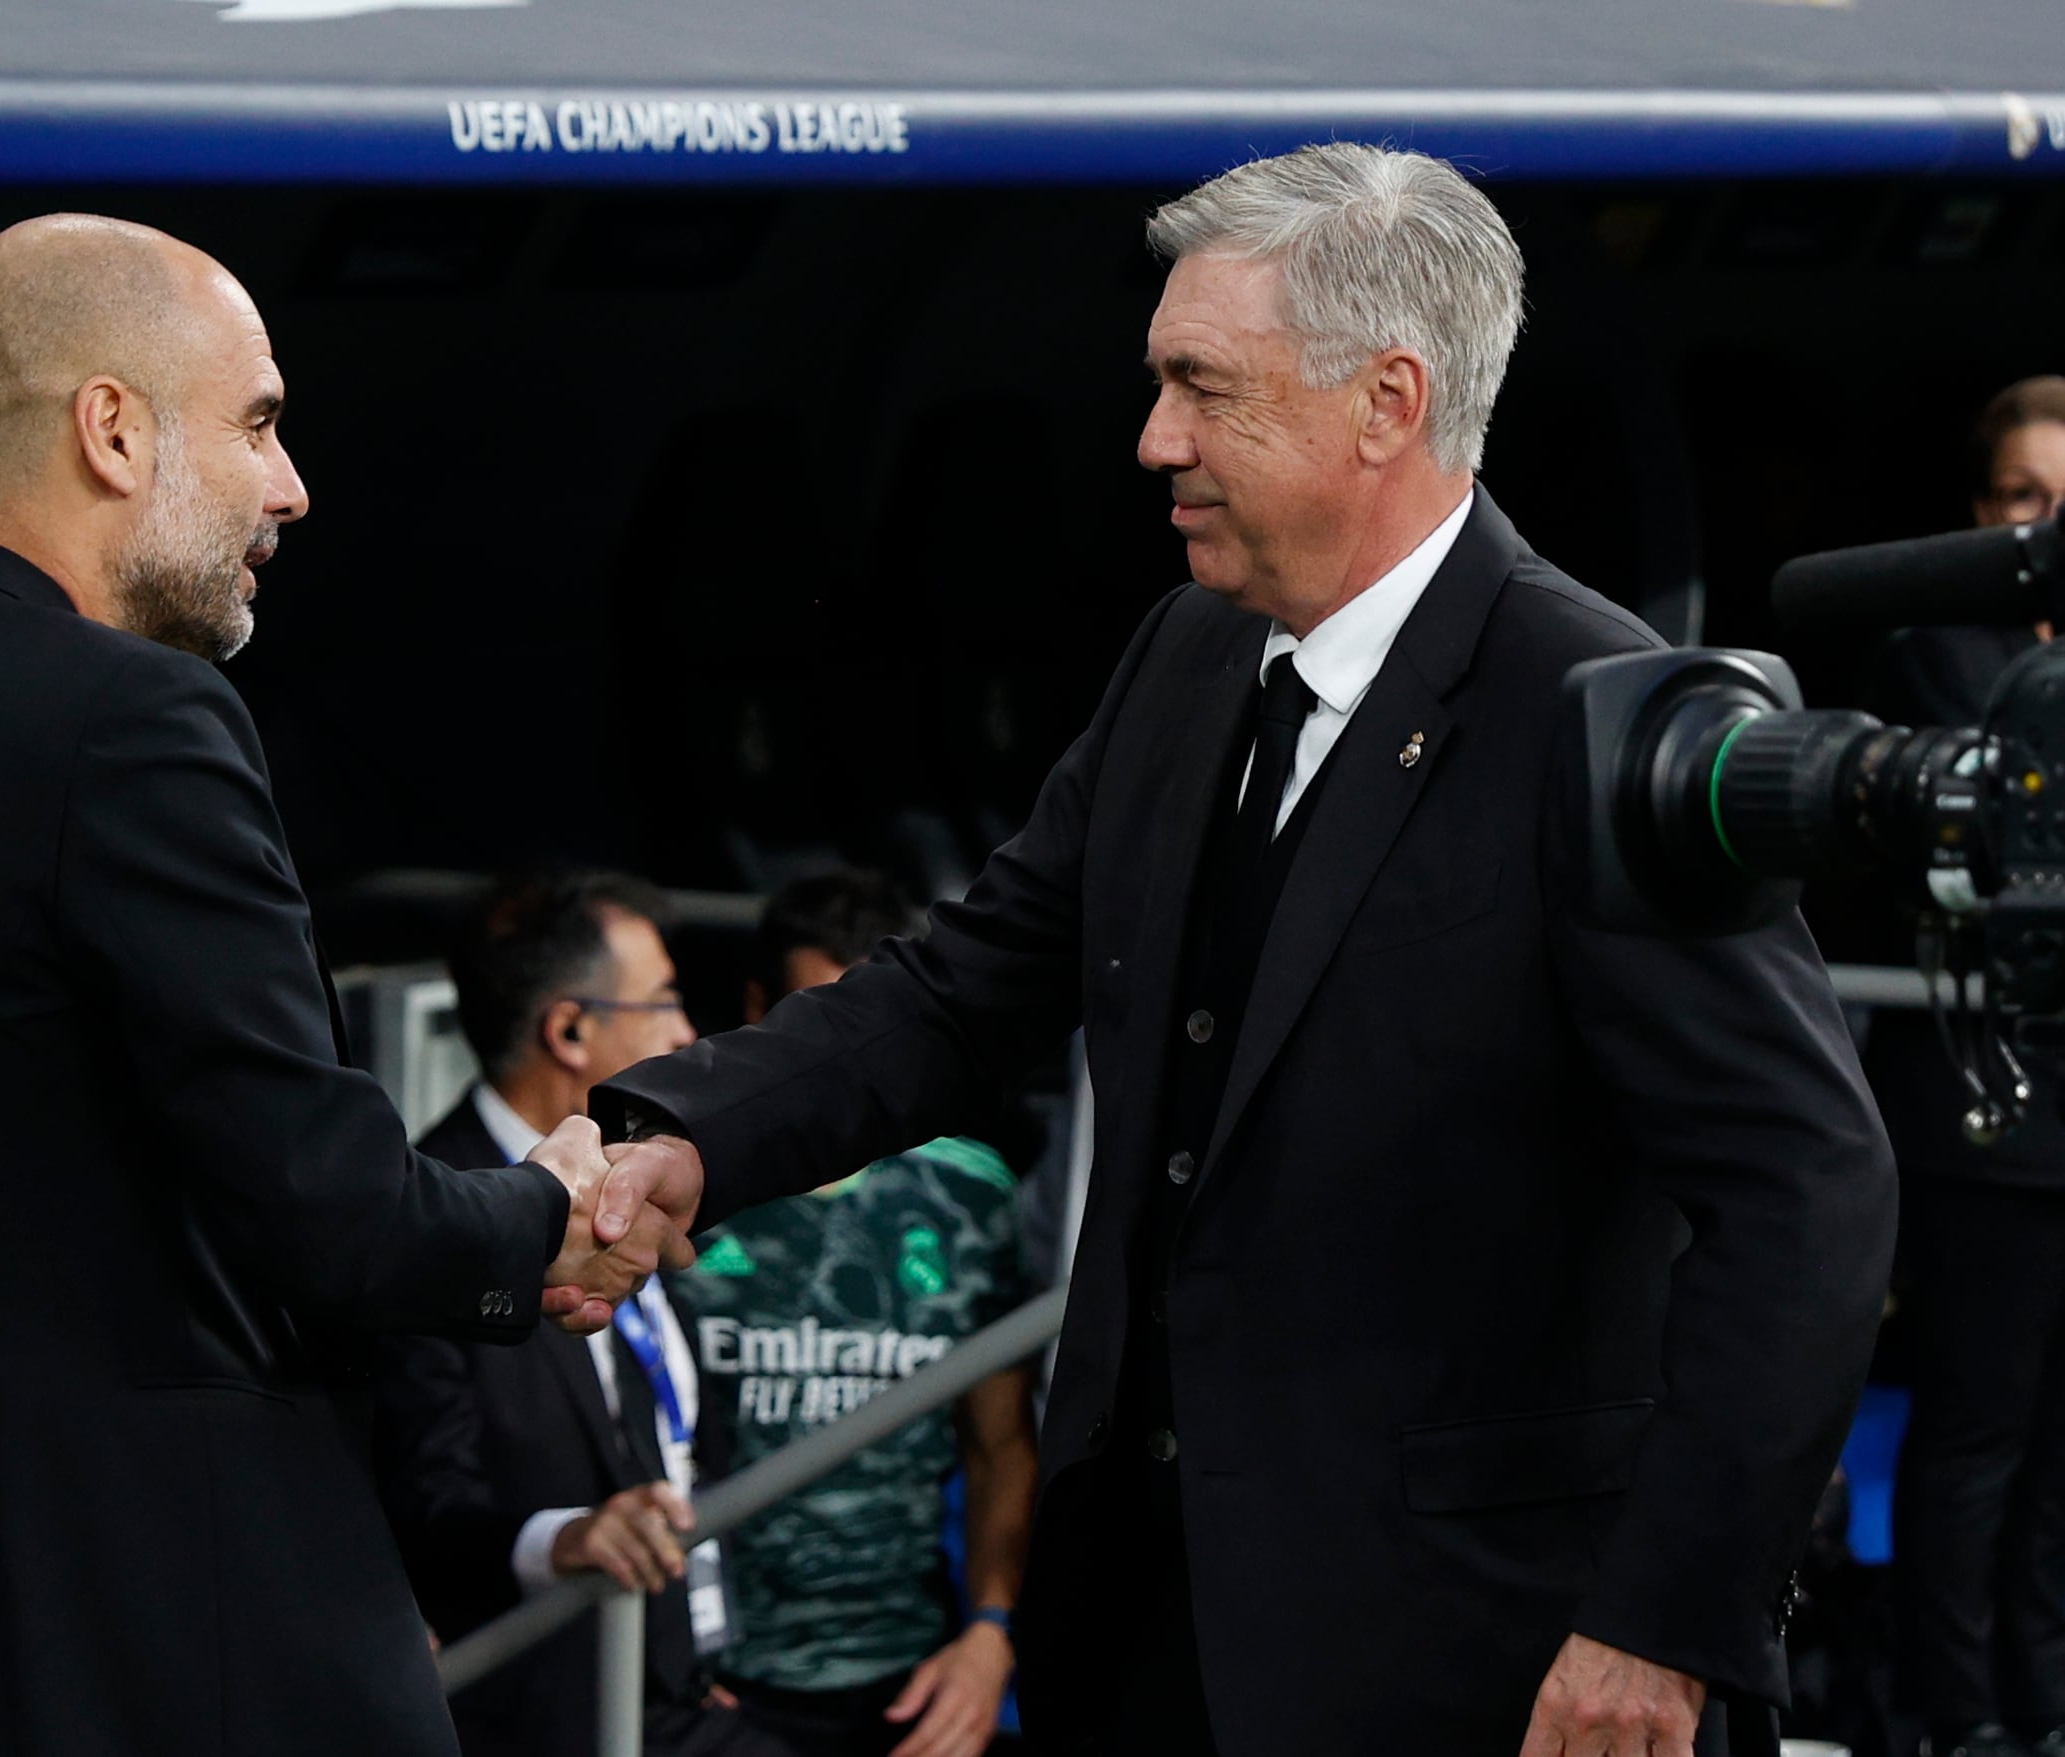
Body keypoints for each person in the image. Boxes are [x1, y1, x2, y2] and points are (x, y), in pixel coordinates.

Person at [591, 143, 1896, 1757]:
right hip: (1150, 1630)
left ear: (1387, 400)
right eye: (1159, 384)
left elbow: (1811, 1190)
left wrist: (1663, 1620)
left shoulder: (1597, 711)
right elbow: (971, 981)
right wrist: (686, 1135)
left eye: (1204, 389)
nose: (1155, 442)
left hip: (1475, 1653)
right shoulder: (1187, 650)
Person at [0, 215, 684, 1757]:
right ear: (110, 429)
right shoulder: (133, 719)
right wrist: (543, 1206)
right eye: (259, 422)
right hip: (149, 1645)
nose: (289, 486)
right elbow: (336, 1212)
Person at [373, 870, 792, 1757]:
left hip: (688, 1692)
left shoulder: (628, 1174)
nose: (688, 1033)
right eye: (664, 1001)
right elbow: (421, 1501)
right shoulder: (429, 1217)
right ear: (569, 1029)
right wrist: (565, 1537)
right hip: (542, 1711)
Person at [681, 870, 1037, 1757]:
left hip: (913, 1683)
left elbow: (1000, 1447)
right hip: (716, 1690)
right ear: (758, 1008)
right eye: (815, 1019)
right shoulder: (682, 1188)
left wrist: (993, 1634)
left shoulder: (965, 1193)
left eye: (862, 1026)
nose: (840, 1058)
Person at [1873, 376, 2065, 1757]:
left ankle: (2041, 1708)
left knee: (2059, 1457)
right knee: (1972, 1438)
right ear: (1980, 511)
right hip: (1979, 1113)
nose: (2049, 526)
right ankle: (1953, 1720)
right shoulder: (1936, 636)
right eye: (2024, 499)